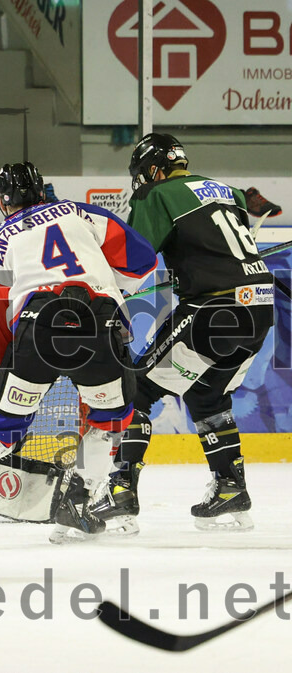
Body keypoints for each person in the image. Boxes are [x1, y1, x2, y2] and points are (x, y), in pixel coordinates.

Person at [0, 162, 158, 543]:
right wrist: (111, 283)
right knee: (110, 420)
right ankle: (76, 503)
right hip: (98, 324)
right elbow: (143, 260)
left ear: (2, 201)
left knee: (2, 425)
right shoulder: (82, 212)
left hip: (36, 330)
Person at [91, 133, 275, 533]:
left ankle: (121, 491)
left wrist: (100, 288)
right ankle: (230, 489)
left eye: (142, 173)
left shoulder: (157, 194)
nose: (141, 181)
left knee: (136, 390)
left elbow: (134, 260)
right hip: (259, 309)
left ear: (154, 169)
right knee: (207, 395)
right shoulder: (228, 192)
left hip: (215, 308)